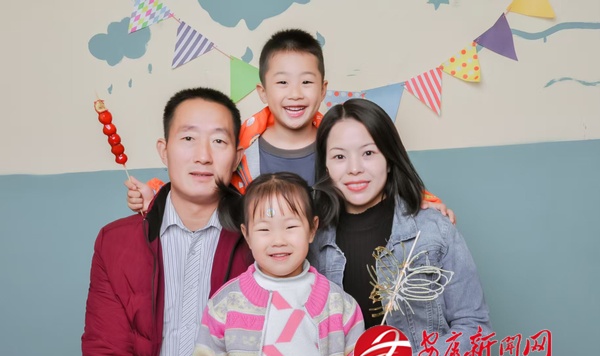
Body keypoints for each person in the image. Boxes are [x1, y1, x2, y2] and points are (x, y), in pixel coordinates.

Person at [124, 29, 452, 222]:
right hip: (265, 279)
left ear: (323, 90)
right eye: (282, 82)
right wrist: (155, 192)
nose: (295, 93)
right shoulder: (243, 149)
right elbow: (204, 185)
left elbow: (381, 174)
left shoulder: (338, 142)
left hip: (335, 275)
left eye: (306, 82)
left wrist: (427, 203)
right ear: (262, 92)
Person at [309, 99, 504, 356]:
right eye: (339, 156)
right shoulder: (311, 242)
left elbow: (475, 329)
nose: (354, 168)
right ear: (326, 167)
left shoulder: (434, 228)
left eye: (368, 153)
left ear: (389, 158)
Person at [68, 88, 253, 356]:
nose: (203, 156)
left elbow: (265, 352)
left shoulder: (260, 243)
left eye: (218, 141)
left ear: (237, 157)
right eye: (188, 138)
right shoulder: (115, 242)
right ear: (164, 151)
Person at [189, 173, 370, 356]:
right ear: (246, 235)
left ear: (312, 229)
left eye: (290, 227)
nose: (278, 240)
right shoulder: (225, 305)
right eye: (264, 229)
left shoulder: (340, 305)